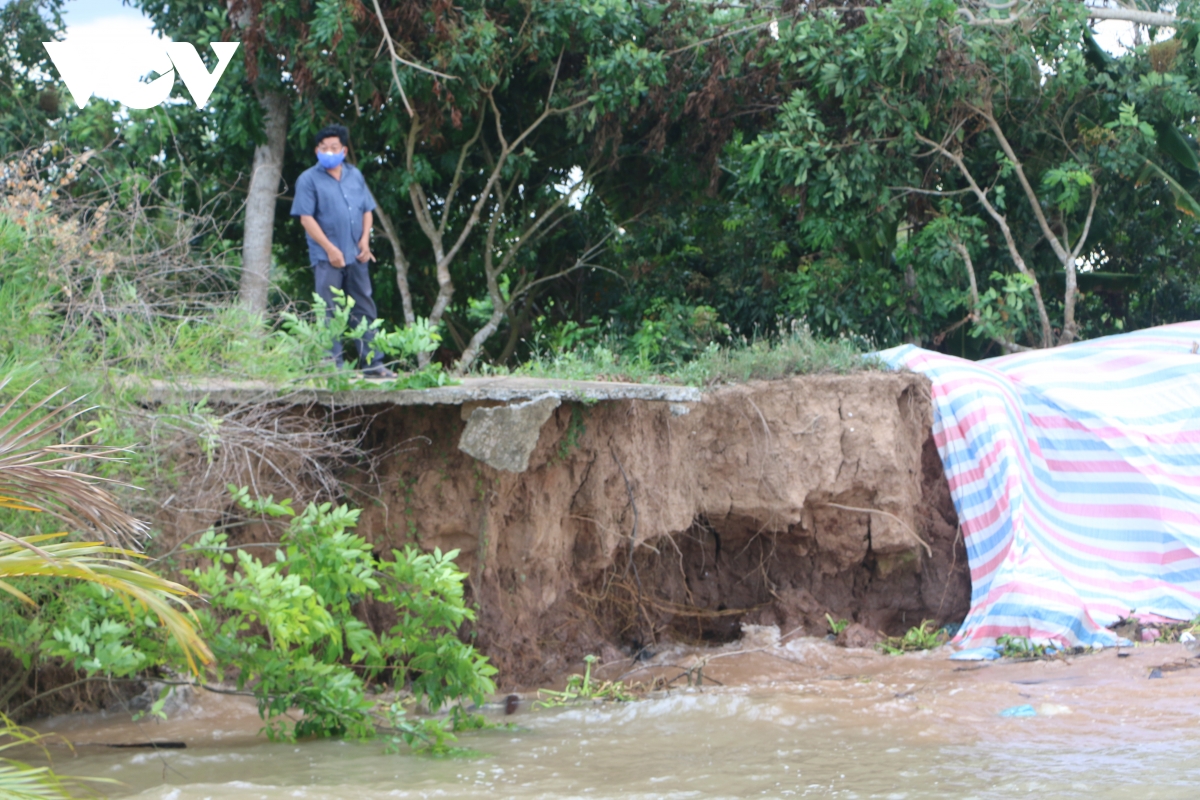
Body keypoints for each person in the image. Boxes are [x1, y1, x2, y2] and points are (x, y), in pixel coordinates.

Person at [290, 124, 396, 377]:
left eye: (333, 148)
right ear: (317, 150)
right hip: (327, 258)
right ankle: (332, 366)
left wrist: (365, 241)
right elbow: (306, 218)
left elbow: (367, 210)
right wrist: (330, 249)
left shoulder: (355, 175)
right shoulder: (308, 179)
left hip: (357, 254)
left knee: (364, 307)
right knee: (329, 309)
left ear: (344, 150)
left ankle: (373, 364)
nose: (328, 152)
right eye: (323, 148)